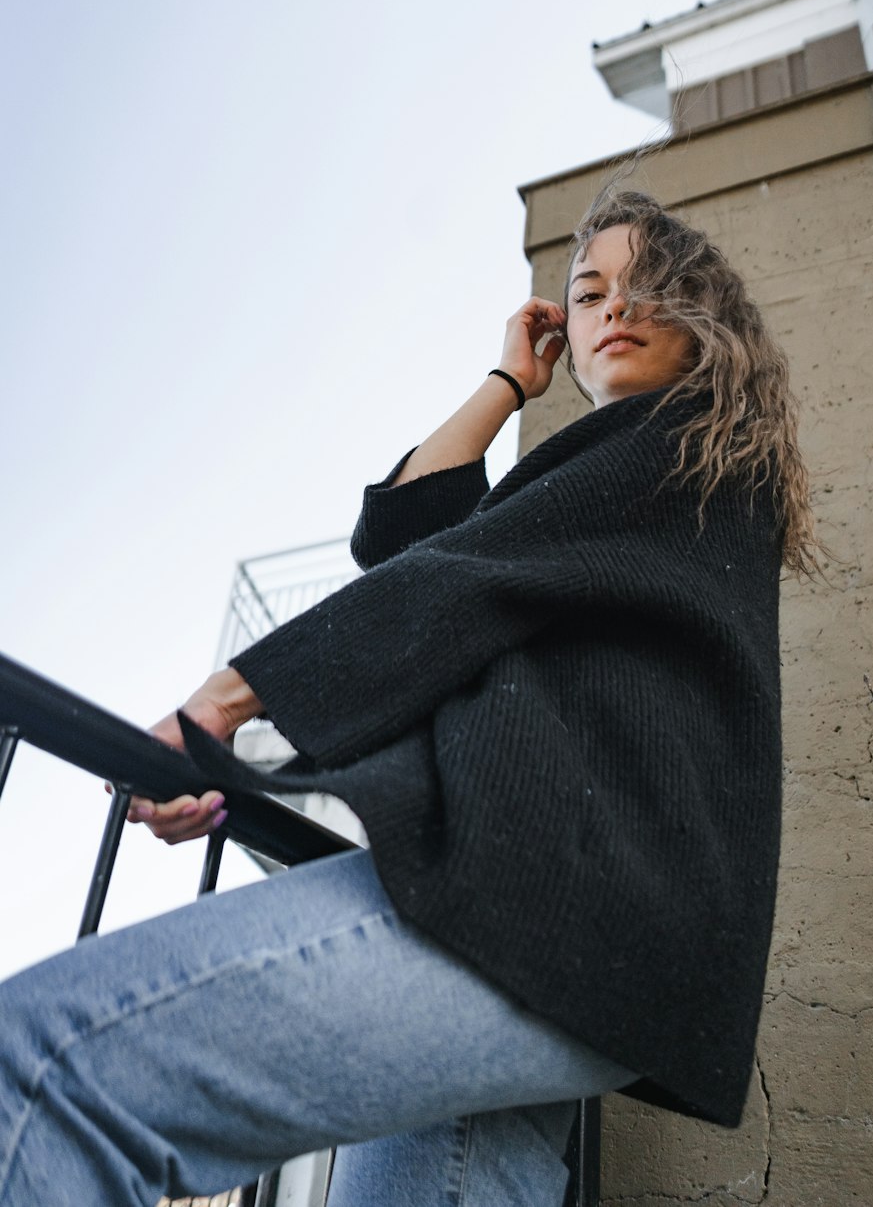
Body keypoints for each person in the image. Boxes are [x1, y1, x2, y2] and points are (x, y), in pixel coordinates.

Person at [0, 191, 820, 1207]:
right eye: (588, 291)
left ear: (702, 306)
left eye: (643, 283)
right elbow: (408, 538)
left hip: (532, 913)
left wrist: (224, 706)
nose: (611, 308)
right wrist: (509, 382)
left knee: (44, 1067)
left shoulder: (673, 441)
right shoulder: (668, 479)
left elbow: (452, 578)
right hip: (581, 953)